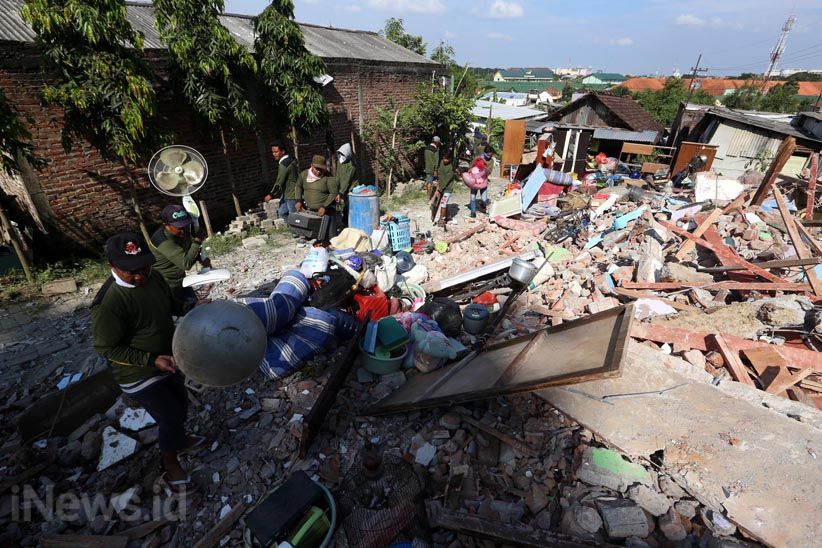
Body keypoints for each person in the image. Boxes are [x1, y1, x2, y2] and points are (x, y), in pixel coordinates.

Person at [91, 232, 205, 495]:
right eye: (131, 271)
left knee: (180, 402)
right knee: (168, 415)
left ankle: (180, 440)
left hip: (168, 357)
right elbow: (106, 348)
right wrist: (151, 360)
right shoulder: (108, 303)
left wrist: (192, 307)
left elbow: (168, 305)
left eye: (144, 267)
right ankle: (170, 464)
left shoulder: (153, 279)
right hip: (137, 372)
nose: (140, 275)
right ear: (113, 266)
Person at [150, 204, 209, 304]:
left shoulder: (183, 232)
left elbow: (189, 251)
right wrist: (197, 241)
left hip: (180, 281)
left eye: (186, 225)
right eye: (179, 227)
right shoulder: (162, 240)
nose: (184, 230)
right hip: (165, 286)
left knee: (196, 308)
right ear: (166, 225)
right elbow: (185, 264)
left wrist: (201, 258)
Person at [295, 154, 339, 238]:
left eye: (321, 169)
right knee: (313, 234)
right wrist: (298, 200)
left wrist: (324, 206)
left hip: (326, 211)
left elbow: (333, 193)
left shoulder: (328, 177)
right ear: (311, 165)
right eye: (316, 169)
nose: (318, 171)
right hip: (309, 210)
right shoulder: (304, 175)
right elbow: (298, 186)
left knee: (329, 236)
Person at [264, 142, 299, 221]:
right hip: (286, 194)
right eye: (273, 152)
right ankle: (293, 227)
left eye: (276, 152)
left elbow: (279, 181)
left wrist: (271, 194)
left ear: (282, 151)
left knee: (294, 216)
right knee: (282, 212)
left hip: (292, 193)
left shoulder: (284, 164)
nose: (274, 154)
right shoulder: (289, 160)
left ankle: (297, 230)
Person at [432, 150, 458, 227]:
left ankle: (442, 219)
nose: (444, 160)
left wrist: (439, 189)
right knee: (442, 203)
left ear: (450, 159)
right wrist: (437, 187)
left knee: (443, 202)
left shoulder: (451, 168)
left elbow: (446, 180)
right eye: (444, 158)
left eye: (446, 159)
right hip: (440, 186)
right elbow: (440, 175)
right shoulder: (441, 163)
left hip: (447, 188)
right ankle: (448, 216)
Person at [334, 143, 358, 227]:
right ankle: (345, 222)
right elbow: (337, 176)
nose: (341, 156)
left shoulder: (351, 166)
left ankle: (349, 223)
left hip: (351, 188)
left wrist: (340, 193)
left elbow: (347, 180)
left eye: (343, 154)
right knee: (344, 206)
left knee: (349, 206)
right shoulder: (339, 163)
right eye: (340, 154)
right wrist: (336, 190)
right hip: (342, 188)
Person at [468, 145, 495, 217]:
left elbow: (489, 172)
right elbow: (471, 166)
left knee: (484, 199)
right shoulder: (477, 158)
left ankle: (483, 205)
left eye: (490, 154)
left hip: (483, 181)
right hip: (474, 181)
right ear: (485, 152)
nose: (489, 156)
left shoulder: (491, 161)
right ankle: (473, 212)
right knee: (473, 197)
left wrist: (485, 168)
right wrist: (470, 171)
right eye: (488, 154)